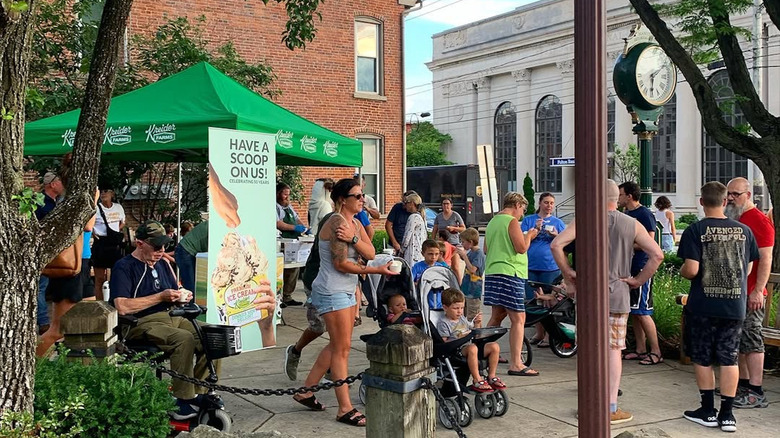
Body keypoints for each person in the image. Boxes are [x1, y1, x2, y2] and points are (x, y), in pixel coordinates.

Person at [111, 221, 275, 420]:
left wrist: (182, 295)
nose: (161, 251)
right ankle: (182, 399)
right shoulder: (124, 266)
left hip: (172, 315)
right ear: (139, 244)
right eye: (156, 247)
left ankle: (201, 391)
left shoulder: (163, 263)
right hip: (141, 322)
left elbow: (173, 291)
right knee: (183, 339)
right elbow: (122, 306)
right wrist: (161, 297)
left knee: (214, 335)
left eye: (164, 246)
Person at [551, 179, 663, 425]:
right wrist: (637, 280)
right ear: (617, 198)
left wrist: (569, 274)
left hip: (589, 295)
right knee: (614, 350)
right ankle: (611, 406)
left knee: (589, 348)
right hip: (617, 293)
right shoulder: (631, 224)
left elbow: (557, 244)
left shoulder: (586, 221)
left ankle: (588, 404)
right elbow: (657, 255)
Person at [291, 178, 395, 427]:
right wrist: (375, 271)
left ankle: (306, 390)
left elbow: (370, 253)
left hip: (347, 290)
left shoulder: (355, 223)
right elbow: (341, 264)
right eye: (357, 196)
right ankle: (344, 408)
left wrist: (355, 239)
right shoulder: (336, 222)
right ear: (341, 200)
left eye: (362, 195)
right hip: (331, 290)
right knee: (341, 350)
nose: (362, 200)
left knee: (340, 345)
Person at [677, 181, 759, 432]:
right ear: (725, 201)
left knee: (702, 357)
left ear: (702, 202)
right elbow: (749, 266)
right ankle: (727, 414)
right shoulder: (744, 231)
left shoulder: (695, 230)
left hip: (703, 305)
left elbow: (691, 270)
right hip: (734, 305)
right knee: (729, 358)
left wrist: (682, 270)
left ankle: (707, 410)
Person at [725, 177, 774, 409]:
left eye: (736, 194)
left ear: (748, 195)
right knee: (740, 340)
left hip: (751, 292)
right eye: (729, 194)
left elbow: (766, 259)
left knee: (753, 339)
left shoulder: (759, 221)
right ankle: (743, 384)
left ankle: (756, 391)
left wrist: (757, 290)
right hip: (736, 292)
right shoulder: (738, 218)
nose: (731, 198)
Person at [36, 189, 100, 357]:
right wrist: (94, 201)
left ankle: (78, 367)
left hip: (83, 261)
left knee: (87, 322)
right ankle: (28, 369)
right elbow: (88, 225)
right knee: (59, 330)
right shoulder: (71, 197)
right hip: (70, 265)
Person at [483, 192, 538, 377]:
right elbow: (521, 248)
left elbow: (486, 248)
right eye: (522, 209)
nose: (522, 214)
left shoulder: (493, 222)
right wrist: (529, 235)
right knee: (518, 319)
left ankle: (485, 350)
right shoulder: (510, 221)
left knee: (497, 315)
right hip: (510, 272)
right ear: (516, 204)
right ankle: (516, 363)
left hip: (493, 271)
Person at [618, 181, 663, 366]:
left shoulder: (644, 213)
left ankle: (656, 351)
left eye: (621, 194)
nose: (619, 198)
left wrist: (625, 245)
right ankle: (640, 349)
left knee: (643, 311)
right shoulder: (627, 214)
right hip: (629, 267)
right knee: (635, 311)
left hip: (642, 268)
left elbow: (649, 241)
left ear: (629, 196)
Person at [436, 288, 506, 393]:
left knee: (494, 346)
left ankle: (491, 376)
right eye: (456, 308)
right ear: (445, 308)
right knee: (472, 349)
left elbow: (473, 330)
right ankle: (477, 379)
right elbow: (443, 342)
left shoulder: (462, 319)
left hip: (471, 344)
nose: (459, 311)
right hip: (457, 349)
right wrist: (460, 337)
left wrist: (477, 323)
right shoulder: (444, 323)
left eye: (461, 308)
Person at [520, 192, 565, 347]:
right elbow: (520, 238)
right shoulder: (528, 220)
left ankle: (549, 335)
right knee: (534, 300)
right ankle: (539, 333)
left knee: (549, 300)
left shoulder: (558, 222)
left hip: (550, 267)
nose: (549, 206)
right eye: (546, 202)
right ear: (540, 203)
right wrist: (535, 229)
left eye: (552, 203)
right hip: (531, 265)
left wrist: (555, 235)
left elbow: (566, 242)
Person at [35, 171, 65, 334]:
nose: (62, 184)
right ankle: (44, 322)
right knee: (41, 286)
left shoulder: (57, 202)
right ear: (52, 184)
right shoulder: (40, 203)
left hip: (54, 251)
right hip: (43, 251)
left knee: (47, 286)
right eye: (59, 181)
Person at [92, 187, 126, 300]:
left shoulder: (118, 207)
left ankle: (113, 300)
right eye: (101, 192)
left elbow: (123, 222)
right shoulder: (96, 208)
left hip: (114, 244)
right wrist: (94, 233)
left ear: (112, 193)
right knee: (99, 278)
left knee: (115, 274)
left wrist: (115, 231)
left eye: (105, 191)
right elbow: (89, 224)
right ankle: (100, 302)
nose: (103, 194)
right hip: (100, 242)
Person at [276, 182, 307, 307]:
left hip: (293, 242)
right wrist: (294, 227)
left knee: (295, 267)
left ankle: (287, 295)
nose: (287, 197)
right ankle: (279, 296)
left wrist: (304, 228)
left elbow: (297, 218)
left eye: (288, 194)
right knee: (282, 269)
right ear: (278, 194)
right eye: (284, 194)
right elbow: (278, 223)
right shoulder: (275, 207)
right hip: (282, 241)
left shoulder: (289, 207)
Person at [456, 228, 485, 321]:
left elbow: (472, 269)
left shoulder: (479, 253)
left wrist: (464, 256)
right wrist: (460, 254)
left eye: (463, 242)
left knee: (474, 317)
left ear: (471, 242)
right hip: (467, 288)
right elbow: (466, 260)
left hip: (474, 290)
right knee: (465, 315)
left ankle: (476, 333)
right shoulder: (472, 252)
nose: (462, 244)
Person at [174, 220, 208, 293]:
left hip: (186, 251)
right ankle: (190, 303)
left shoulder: (215, 224)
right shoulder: (217, 227)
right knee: (191, 287)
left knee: (194, 286)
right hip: (186, 251)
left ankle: (192, 302)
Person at [399, 193, 427, 267]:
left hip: (412, 253)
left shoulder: (413, 217)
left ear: (412, 203)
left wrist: (401, 251)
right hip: (419, 252)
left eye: (406, 203)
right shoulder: (421, 217)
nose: (405, 206)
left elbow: (407, 236)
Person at [385, 190, 417, 255]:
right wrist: (394, 242)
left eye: (406, 203)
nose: (404, 205)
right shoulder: (397, 207)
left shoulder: (417, 214)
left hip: (411, 245)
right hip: (396, 242)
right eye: (403, 202)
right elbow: (388, 225)